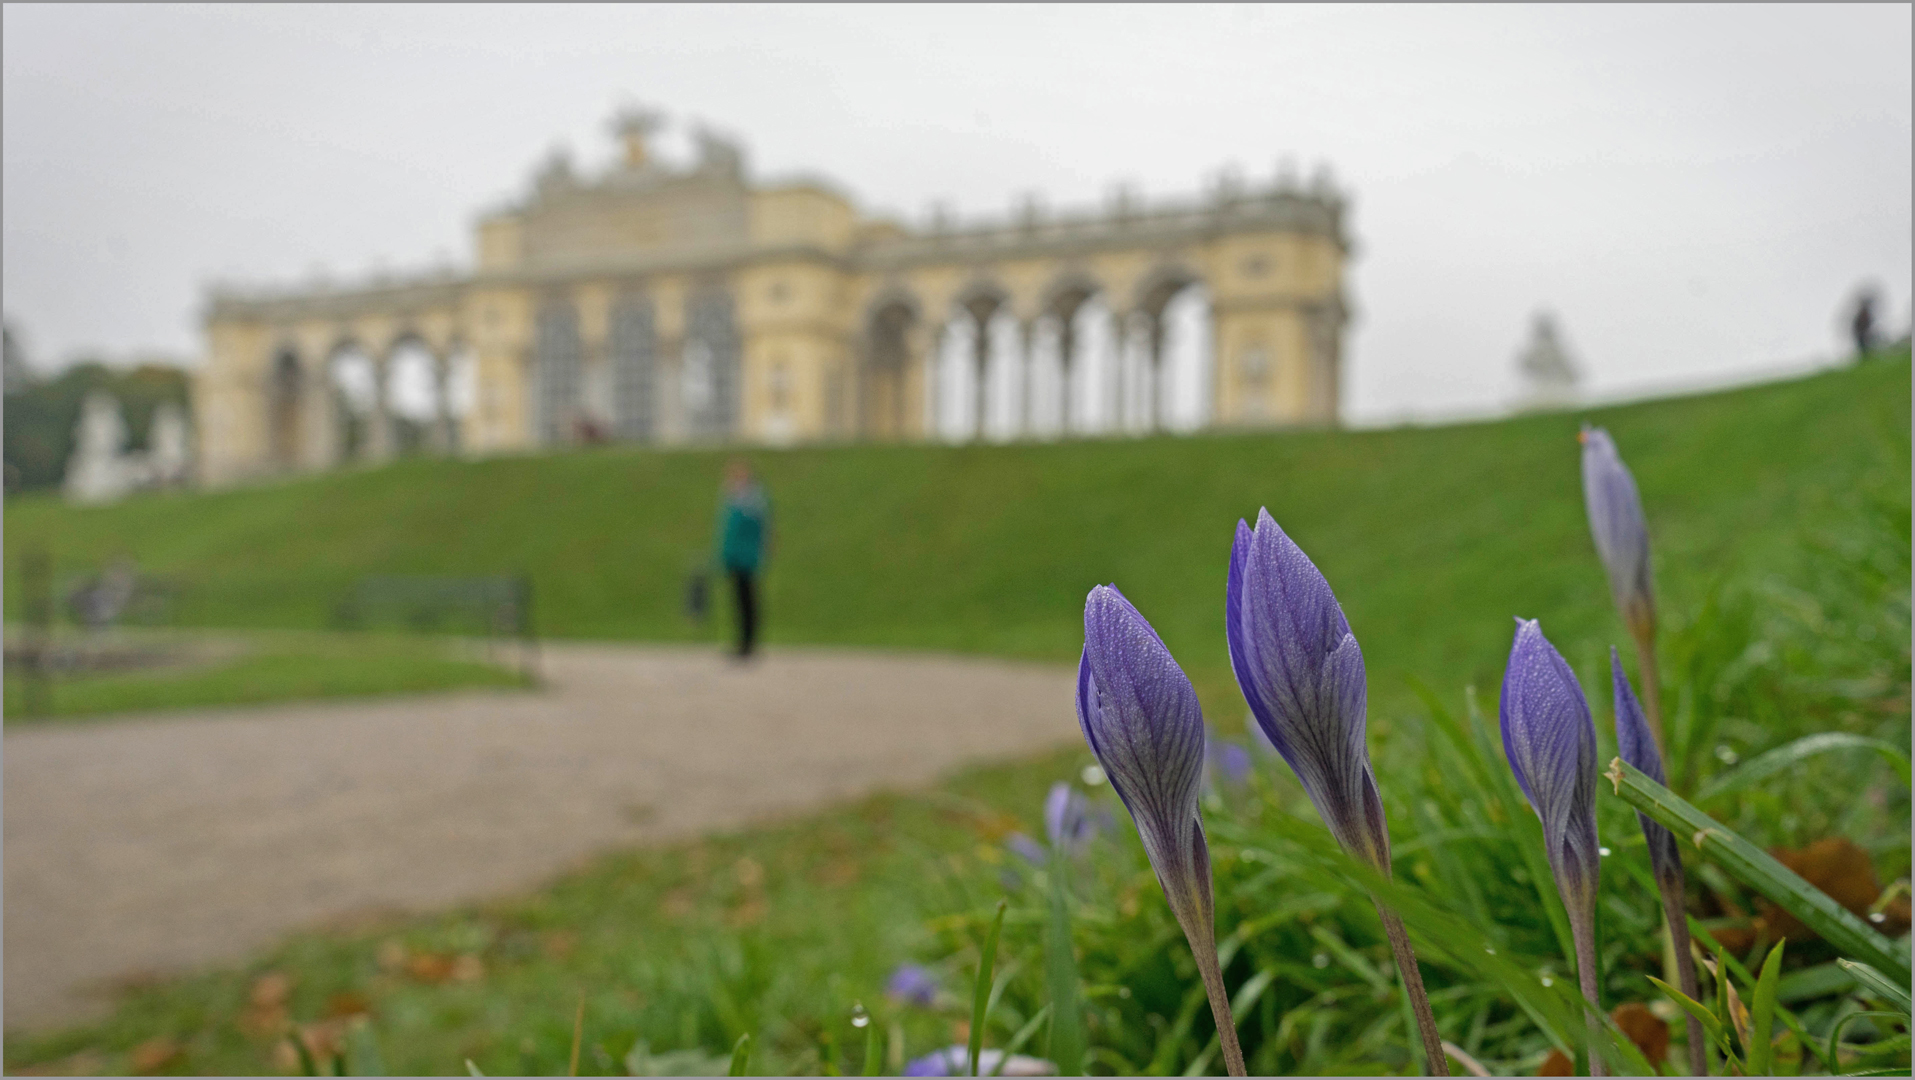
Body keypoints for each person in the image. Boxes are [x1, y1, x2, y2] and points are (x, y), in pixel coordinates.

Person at [713, 459, 772, 658]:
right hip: (735, 557)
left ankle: (749, 642)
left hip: (748, 557)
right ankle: (741, 641)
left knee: (748, 600)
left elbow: (761, 529)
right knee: (738, 601)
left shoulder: (752, 500)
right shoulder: (733, 500)